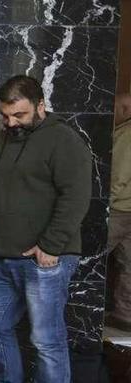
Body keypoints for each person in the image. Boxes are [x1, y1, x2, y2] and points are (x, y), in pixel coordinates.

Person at [0, 75, 91, 383]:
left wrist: (51, 246)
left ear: (40, 105)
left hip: (47, 259)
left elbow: (77, 196)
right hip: (4, 257)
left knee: (46, 338)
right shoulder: (3, 138)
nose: (12, 122)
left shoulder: (62, 139)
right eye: (6, 116)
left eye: (19, 115)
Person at [107, 93, 131, 331]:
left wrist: (105, 204)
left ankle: (76, 309)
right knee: (129, 265)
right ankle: (125, 314)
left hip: (119, 209)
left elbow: (119, 176)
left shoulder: (127, 134)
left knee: (90, 256)